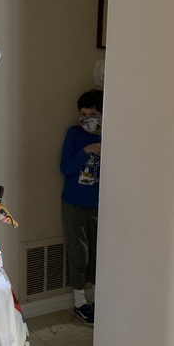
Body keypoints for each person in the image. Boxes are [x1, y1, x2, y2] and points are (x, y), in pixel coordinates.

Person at [59, 89, 104, 326]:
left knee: (99, 254)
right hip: (74, 203)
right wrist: (84, 151)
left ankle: (100, 301)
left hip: (99, 205)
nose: (88, 118)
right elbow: (64, 167)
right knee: (79, 254)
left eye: (94, 114)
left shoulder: (110, 136)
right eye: (84, 113)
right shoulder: (74, 135)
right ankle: (79, 303)